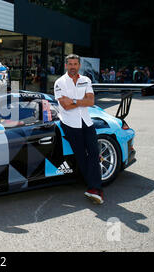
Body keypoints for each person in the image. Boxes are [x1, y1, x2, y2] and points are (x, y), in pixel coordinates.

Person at [54, 54, 103, 204]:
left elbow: (91, 101)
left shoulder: (86, 80)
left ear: (79, 65)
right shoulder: (60, 82)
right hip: (70, 123)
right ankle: (95, 188)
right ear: (66, 65)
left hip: (86, 122)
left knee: (94, 152)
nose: (73, 66)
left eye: (75, 64)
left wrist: (74, 100)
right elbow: (65, 106)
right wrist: (82, 102)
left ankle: (93, 188)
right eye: (70, 64)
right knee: (81, 155)